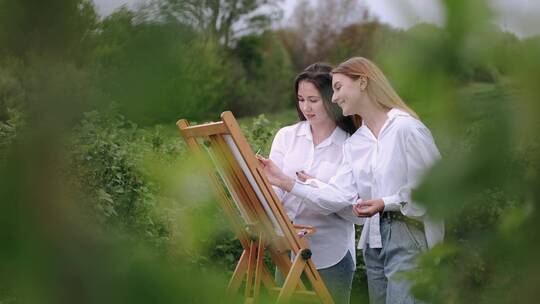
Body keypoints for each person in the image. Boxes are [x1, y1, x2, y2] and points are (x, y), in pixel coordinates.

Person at [259, 57, 444, 304]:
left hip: (404, 229)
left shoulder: (405, 128)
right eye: (302, 100)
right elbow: (340, 195)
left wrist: (384, 202)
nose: (334, 98)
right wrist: (294, 184)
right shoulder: (359, 142)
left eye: (337, 88)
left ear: (363, 83)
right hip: (373, 240)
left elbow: (435, 188)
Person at [269, 62, 359, 304]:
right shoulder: (286, 136)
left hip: (332, 254)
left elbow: (354, 211)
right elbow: (272, 186)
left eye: (313, 100)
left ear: (332, 99)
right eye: (300, 99)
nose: (306, 107)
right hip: (290, 248)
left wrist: (313, 187)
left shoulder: (350, 145)